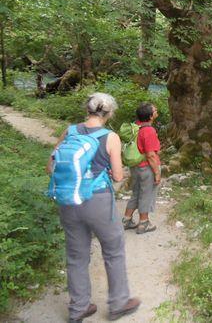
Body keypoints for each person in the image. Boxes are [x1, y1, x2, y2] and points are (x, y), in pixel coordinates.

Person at [47, 93, 140, 322]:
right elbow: (118, 176)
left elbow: (50, 167)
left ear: (87, 110)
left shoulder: (69, 131)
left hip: (69, 200)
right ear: (109, 114)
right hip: (97, 200)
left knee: (76, 256)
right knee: (113, 249)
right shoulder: (110, 137)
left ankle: (78, 308)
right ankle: (118, 304)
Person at [122, 102, 161, 234]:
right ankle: (143, 223)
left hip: (135, 167)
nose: (157, 113)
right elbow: (150, 154)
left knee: (136, 192)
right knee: (146, 194)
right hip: (146, 168)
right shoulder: (149, 131)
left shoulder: (136, 128)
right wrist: (156, 172)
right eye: (155, 111)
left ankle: (126, 220)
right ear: (150, 116)